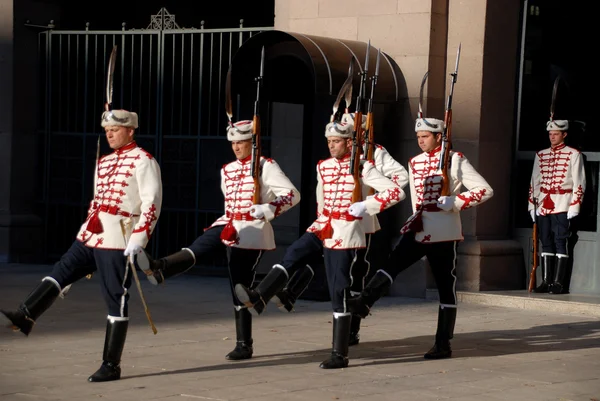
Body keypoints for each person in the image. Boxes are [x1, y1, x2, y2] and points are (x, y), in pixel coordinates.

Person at [1, 110, 163, 382]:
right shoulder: (105, 161)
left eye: (115, 129)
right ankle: (26, 315)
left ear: (130, 130)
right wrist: (85, 230)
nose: (109, 133)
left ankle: (111, 365)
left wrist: (140, 237)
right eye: (107, 129)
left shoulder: (144, 161)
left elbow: (152, 202)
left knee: (116, 298)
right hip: (92, 233)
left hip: (118, 238)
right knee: (61, 270)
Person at [235, 116, 404, 369]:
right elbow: (321, 197)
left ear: (349, 143)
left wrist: (366, 206)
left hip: (346, 232)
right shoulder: (323, 166)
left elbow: (396, 191)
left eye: (336, 141)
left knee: (338, 290)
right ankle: (260, 295)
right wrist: (320, 220)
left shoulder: (362, 165)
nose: (331, 146)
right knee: (294, 252)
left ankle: (340, 353)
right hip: (324, 224)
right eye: (329, 141)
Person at [136, 119, 300, 361]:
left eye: (241, 142)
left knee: (239, 285)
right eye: (233, 143)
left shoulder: (266, 166)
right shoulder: (227, 170)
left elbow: (292, 195)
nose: (236, 147)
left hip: (252, 230)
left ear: (252, 143)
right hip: (228, 223)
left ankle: (244, 344)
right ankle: (161, 269)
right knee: (200, 245)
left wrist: (268, 209)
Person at [346, 115, 494, 360]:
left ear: (439, 137)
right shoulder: (414, 162)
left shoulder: (455, 160)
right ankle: (364, 302)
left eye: (425, 136)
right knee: (391, 265)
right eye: (418, 137)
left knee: (446, 286)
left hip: (443, 232)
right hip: (419, 226)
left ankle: (443, 343)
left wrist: (456, 201)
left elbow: (485, 189)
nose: (421, 141)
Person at [528, 119, 585, 294]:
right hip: (543, 204)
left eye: (556, 134)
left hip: (562, 203)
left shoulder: (573, 154)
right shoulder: (541, 154)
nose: (552, 137)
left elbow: (579, 181)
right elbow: (534, 181)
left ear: (564, 135)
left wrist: (575, 204)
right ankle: (546, 281)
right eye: (550, 134)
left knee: (561, 241)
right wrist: (532, 204)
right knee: (545, 242)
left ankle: (559, 283)